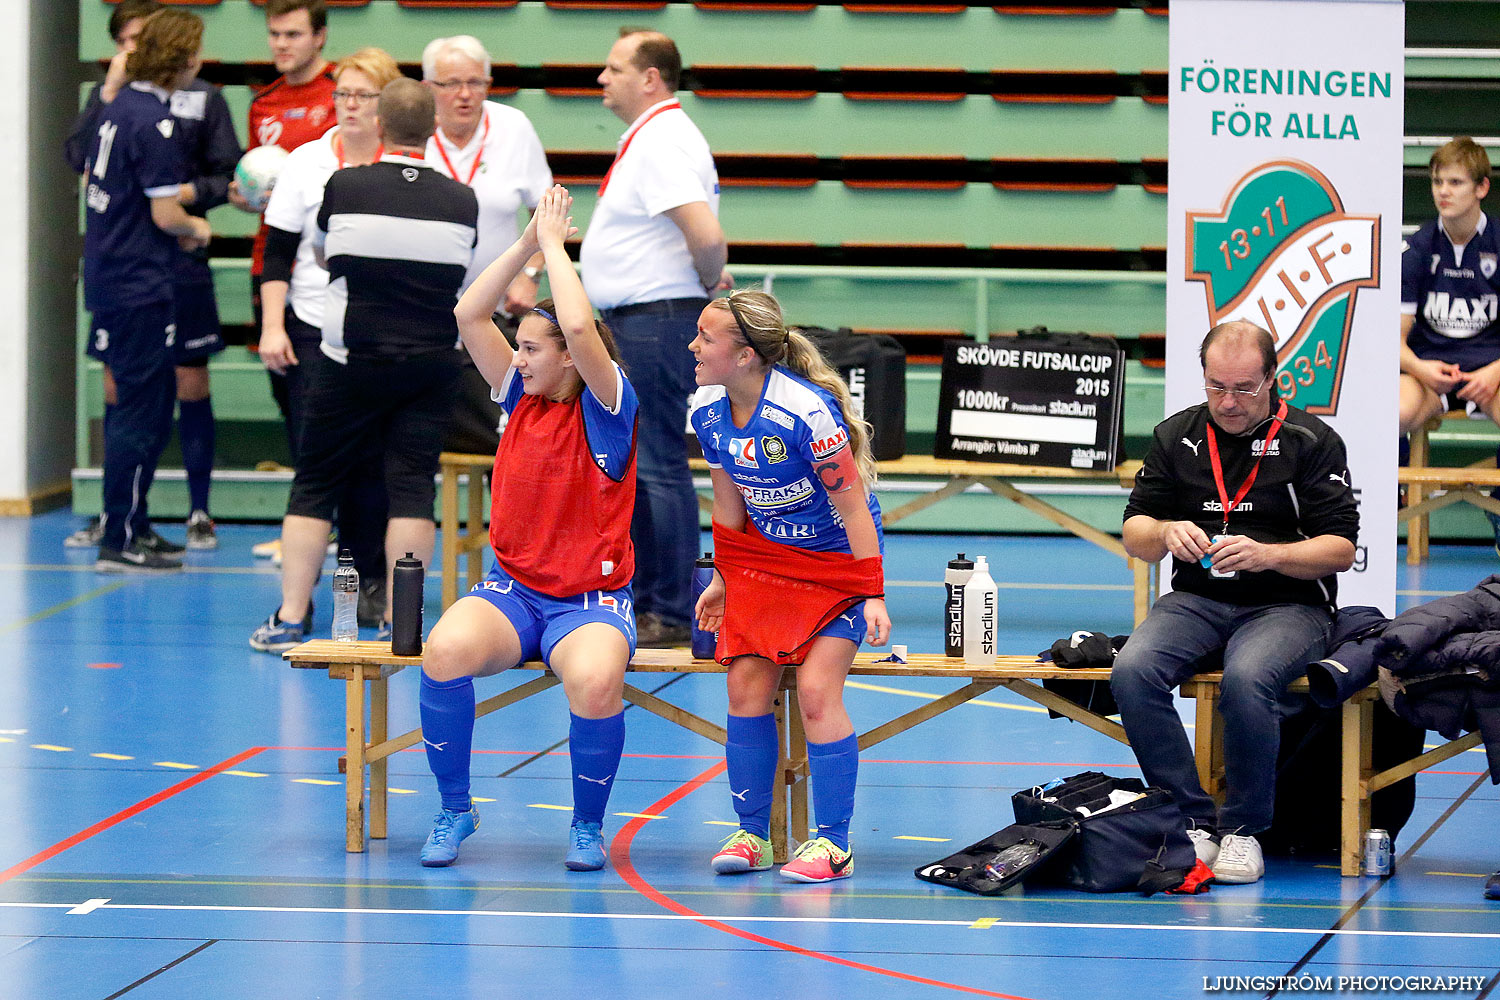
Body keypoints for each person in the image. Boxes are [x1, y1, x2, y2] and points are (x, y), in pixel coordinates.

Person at [416, 186, 639, 871]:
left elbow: (578, 328)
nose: (519, 357)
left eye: (533, 349)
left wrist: (556, 249)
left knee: (597, 682)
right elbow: (467, 311)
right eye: (518, 347)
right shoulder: (518, 395)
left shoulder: (607, 404)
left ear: (570, 358)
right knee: (443, 652)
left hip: (589, 603)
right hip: (514, 592)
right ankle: (456, 808)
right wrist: (523, 244)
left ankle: (587, 826)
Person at [1110, 321, 1360, 885]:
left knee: (1247, 679)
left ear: (1273, 377)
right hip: (1197, 599)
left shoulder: (1310, 442)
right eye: (1216, 386)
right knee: (1132, 670)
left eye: (1245, 388)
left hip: (1289, 606)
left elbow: (1341, 549)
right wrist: (1169, 530)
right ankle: (1192, 820)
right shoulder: (1176, 436)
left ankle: (1244, 830)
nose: (1229, 402)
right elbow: (1135, 534)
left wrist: (1270, 554)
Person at [249, 79, 477, 651]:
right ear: (433, 130)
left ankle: (292, 617)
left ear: (379, 126)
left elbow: (326, 254)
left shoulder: (344, 185)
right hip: (430, 363)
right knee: (410, 489)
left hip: (348, 360)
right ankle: (403, 625)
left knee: (315, 485)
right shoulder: (461, 198)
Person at [689, 290, 890, 884]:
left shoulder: (805, 413)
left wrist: (871, 590)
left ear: (746, 355)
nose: (693, 345)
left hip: (835, 564)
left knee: (817, 692)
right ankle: (756, 833)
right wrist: (725, 579)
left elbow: (854, 508)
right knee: (745, 687)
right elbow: (728, 509)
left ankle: (833, 844)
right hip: (767, 564)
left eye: (706, 336)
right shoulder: (707, 410)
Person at [65, 0, 239, 552]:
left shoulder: (117, 106)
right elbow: (166, 213)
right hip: (139, 282)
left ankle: (133, 524)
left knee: (143, 403)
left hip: (115, 273)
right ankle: (121, 535)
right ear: (181, 58)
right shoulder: (155, 120)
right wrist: (199, 229)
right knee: (141, 412)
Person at [581, 28, 731, 647]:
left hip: (656, 318)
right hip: (644, 317)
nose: (601, 79)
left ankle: (668, 609)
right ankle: (654, 600)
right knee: (647, 461)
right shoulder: (654, 136)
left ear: (650, 78)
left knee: (656, 462)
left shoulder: (663, 139)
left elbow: (704, 233)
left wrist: (702, 282)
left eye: (613, 68)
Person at [256, 47, 402, 630]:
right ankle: (301, 599)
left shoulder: (406, 164)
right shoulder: (307, 162)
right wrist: (272, 325)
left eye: (362, 96)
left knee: (375, 464)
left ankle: (365, 575)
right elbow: (276, 253)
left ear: (386, 104)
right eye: (342, 94)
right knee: (317, 462)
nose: (349, 106)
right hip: (314, 327)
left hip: (383, 334)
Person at [229, 0, 339, 565]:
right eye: (274, 34)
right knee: (289, 398)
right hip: (271, 267)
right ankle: (308, 521)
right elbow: (260, 190)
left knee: (327, 403)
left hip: (323, 274)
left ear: (319, 37)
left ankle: (331, 521)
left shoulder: (340, 97)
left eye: (293, 34)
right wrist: (245, 192)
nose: (282, 44)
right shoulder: (264, 103)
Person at [421, 35, 552, 457]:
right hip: (426, 314)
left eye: (476, 83)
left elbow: (548, 212)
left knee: (509, 438)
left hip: (496, 316)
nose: (464, 94)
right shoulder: (413, 132)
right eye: (450, 84)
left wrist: (530, 274)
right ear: (427, 88)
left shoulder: (513, 127)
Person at [1398, 137, 1500, 547]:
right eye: (1438, 181)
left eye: (1456, 182)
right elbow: (1394, 340)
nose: (1443, 191)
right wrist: (1421, 369)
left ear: (1481, 188)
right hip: (1431, 374)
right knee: (1392, 410)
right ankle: (1395, 497)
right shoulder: (1418, 247)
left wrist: (1494, 371)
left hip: (1491, 373)